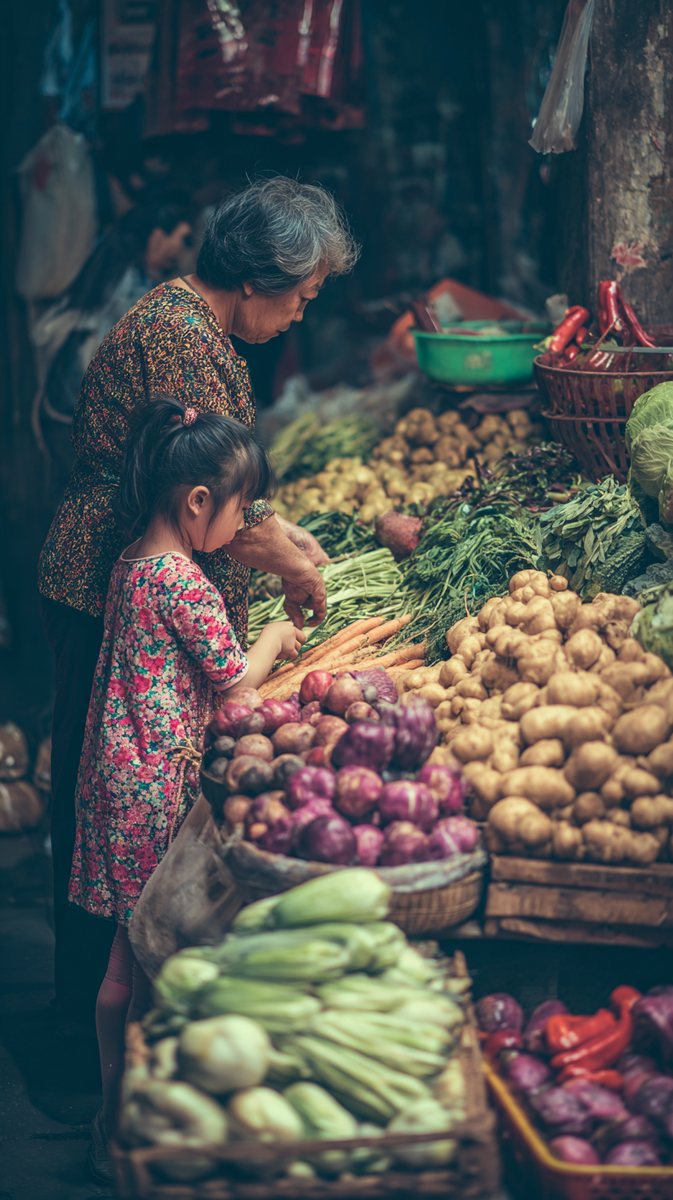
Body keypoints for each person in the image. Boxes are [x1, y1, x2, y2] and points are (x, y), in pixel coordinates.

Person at [38, 176, 359, 1026]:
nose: (300, 315)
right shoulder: (183, 339)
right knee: (99, 809)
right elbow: (209, 495)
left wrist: (281, 528)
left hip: (121, 590)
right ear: (257, 278)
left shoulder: (193, 324)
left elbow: (230, 498)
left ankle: (96, 1009)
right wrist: (290, 570)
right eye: (302, 296)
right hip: (100, 592)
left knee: (97, 800)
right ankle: (86, 1028)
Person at [72, 395, 303, 1181]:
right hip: (156, 783)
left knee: (118, 955)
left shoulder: (131, 561)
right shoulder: (184, 583)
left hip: (112, 773)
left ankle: (110, 1107)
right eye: (239, 515)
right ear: (198, 501)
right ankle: (133, 1126)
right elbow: (235, 679)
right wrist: (274, 633)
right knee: (151, 953)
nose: (241, 532)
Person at [31, 194, 195, 509]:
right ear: (158, 235)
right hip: (80, 417)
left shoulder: (114, 270)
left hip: (63, 410)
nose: (181, 251)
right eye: (183, 239)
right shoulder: (129, 287)